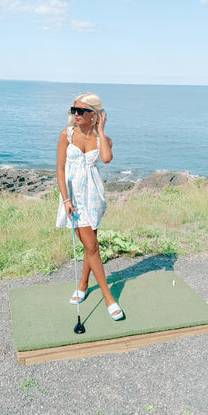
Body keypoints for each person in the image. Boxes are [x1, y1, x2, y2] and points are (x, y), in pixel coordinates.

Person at [56, 92, 124, 320]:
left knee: (90, 245)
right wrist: (65, 200)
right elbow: (59, 170)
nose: (75, 114)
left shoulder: (102, 139)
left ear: (94, 115)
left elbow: (106, 159)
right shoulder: (66, 135)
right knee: (92, 246)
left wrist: (101, 131)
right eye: (73, 110)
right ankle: (108, 297)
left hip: (93, 196)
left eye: (81, 111)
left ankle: (83, 284)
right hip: (73, 198)